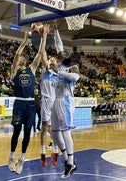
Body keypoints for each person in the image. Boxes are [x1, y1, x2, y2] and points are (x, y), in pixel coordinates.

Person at [8, 24, 50, 174]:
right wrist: (25, 42)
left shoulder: (31, 68)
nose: (22, 58)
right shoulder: (14, 71)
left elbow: (40, 52)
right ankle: (11, 157)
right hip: (19, 102)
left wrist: (44, 35)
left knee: (27, 133)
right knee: (16, 131)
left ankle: (22, 159)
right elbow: (17, 56)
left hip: (31, 104)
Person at [50, 21, 80, 178]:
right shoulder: (60, 64)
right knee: (54, 133)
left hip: (66, 101)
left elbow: (75, 77)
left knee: (66, 132)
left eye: (64, 52)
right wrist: (55, 29)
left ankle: (71, 163)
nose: (61, 52)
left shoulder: (72, 67)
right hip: (56, 101)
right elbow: (58, 44)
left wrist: (58, 72)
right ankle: (66, 159)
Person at [39, 51, 59, 167]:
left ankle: (55, 154)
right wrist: (44, 36)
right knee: (45, 127)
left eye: (54, 60)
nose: (51, 61)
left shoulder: (59, 75)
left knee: (52, 129)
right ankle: (43, 154)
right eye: (50, 60)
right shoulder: (46, 71)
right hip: (46, 101)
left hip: (55, 102)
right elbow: (42, 54)